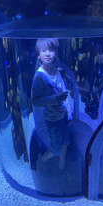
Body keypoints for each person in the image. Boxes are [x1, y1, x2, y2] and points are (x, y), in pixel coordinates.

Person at [31, 38, 71, 169]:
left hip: (63, 114)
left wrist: (68, 112)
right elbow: (35, 101)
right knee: (56, 149)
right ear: (39, 55)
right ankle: (42, 160)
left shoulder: (57, 71)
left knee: (66, 140)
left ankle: (61, 163)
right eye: (43, 51)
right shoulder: (39, 77)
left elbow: (63, 90)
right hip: (53, 118)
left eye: (51, 50)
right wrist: (55, 99)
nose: (48, 54)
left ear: (56, 53)